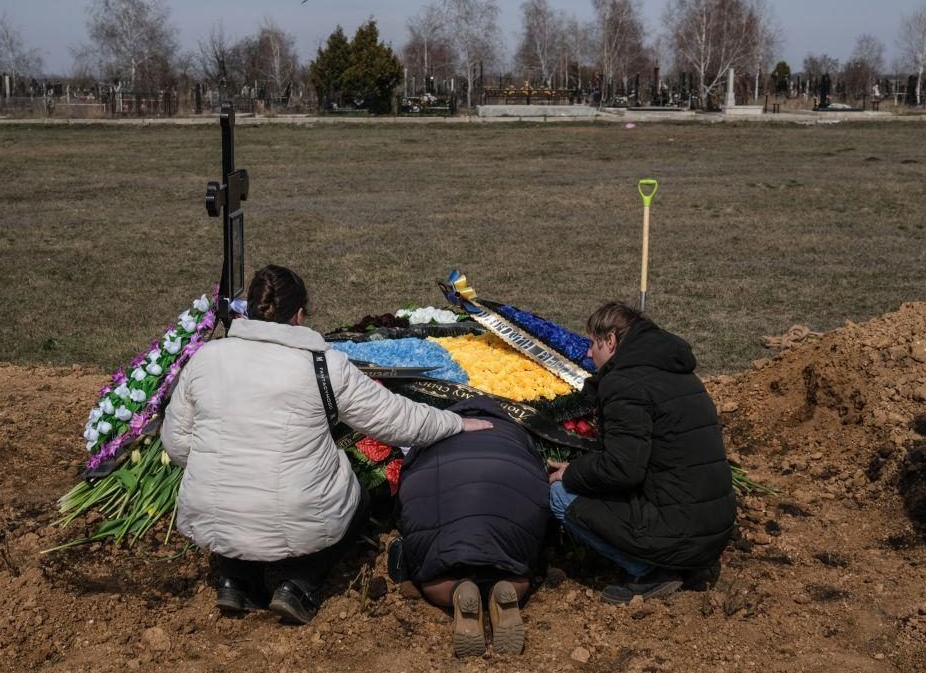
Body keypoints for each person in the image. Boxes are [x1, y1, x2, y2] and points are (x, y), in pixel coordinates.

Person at [161, 265, 492, 624]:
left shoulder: (206, 358)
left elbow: (177, 444)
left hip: (210, 515)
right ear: (300, 315)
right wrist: (456, 422)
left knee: (236, 493)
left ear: (250, 310)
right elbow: (398, 420)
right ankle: (299, 584)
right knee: (357, 498)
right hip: (292, 516)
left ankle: (235, 581)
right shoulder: (323, 366)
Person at [547, 302, 736, 605]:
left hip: (682, 533)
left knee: (560, 495)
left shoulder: (624, 384)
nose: (587, 353)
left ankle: (653, 573)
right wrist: (580, 466)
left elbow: (624, 469)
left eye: (593, 343)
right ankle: (685, 565)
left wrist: (572, 473)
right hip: (712, 530)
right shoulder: (676, 369)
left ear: (611, 341)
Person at [389, 397, 549, 657]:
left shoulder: (431, 431)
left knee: (433, 573)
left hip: (444, 519)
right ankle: (506, 588)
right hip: (509, 512)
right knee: (515, 565)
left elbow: (406, 492)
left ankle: (456, 591)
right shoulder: (515, 432)